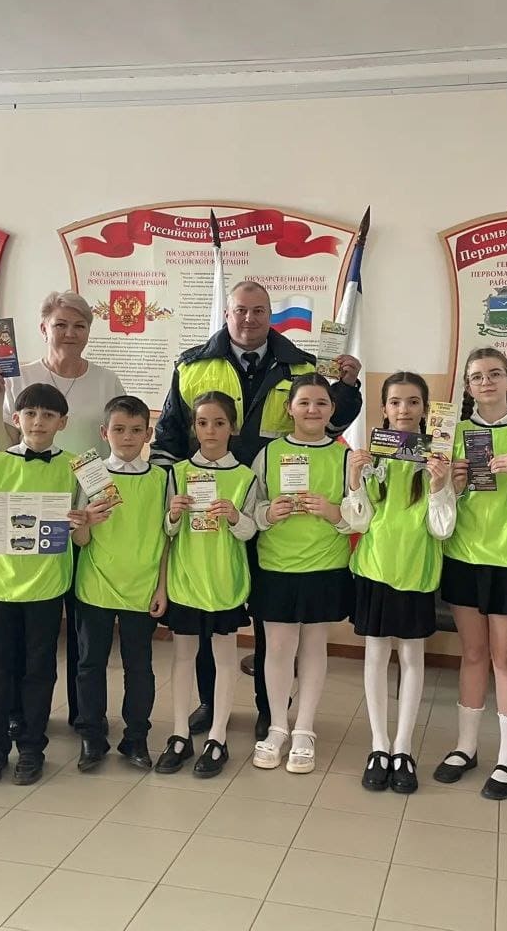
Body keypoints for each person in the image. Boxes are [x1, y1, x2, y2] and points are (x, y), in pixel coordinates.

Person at [152, 280, 363, 740]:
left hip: (272, 508)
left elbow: (325, 425)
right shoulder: (191, 365)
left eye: (259, 311)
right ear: (227, 314)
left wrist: (347, 387)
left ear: (271, 314)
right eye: (241, 310)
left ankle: (273, 710)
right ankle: (211, 704)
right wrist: (164, 494)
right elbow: (170, 434)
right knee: (210, 612)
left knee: (274, 621)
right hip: (212, 509)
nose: (249, 319)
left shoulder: (303, 365)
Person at [0, 291, 126, 733]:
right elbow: (2, 450)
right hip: (29, 514)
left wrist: (102, 502)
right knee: (28, 626)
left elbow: (115, 443)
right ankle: (18, 715)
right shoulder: (16, 377)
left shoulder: (107, 381)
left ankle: (84, 715)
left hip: (84, 508)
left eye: (79, 325)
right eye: (60, 324)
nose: (70, 333)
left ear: (89, 331)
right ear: (44, 328)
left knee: (83, 624)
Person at [0, 383, 104, 787]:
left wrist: (82, 523)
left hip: (47, 583)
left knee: (39, 668)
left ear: (63, 422)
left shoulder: (78, 467)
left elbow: (83, 539)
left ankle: (31, 746)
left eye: (47, 415)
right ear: (16, 418)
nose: (38, 422)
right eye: (30, 413)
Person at [433, 347, 507, 800]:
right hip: (464, 556)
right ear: (468, 386)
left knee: (506, 658)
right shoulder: (453, 433)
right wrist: (452, 484)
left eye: (494, 374)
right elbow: (440, 504)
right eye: (477, 376)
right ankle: (465, 747)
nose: (486, 382)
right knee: (472, 654)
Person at [346, 372, 455, 795]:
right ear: (384, 408)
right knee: (375, 655)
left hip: (417, 572)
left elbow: (443, 529)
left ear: (425, 409)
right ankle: (379, 745)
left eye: (412, 402)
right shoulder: (373, 456)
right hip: (375, 569)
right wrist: (354, 480)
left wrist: (439, 485)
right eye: (395, 402)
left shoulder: (437, 458)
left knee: (411, 657)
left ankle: (403, 748)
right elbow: (359, 521)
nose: (404, 410)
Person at [249, 374, 356, 774]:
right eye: (304, 402)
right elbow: (251, 510)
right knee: (277, 648)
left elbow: (360, 514)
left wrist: (333, 512)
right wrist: (267, 513)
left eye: (322, 403)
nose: (313, 410)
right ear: (289, 408)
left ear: (332, 410)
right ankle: (278, 726)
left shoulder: (345, 456)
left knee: (313, 646)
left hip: (324, 566)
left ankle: (305, 729)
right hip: (276, 565)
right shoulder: (268, 453)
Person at [155, 390, 262, 778]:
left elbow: (250, 531)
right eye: (202, 423)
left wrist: (234, 517)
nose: (211, 430)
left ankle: (218, 736)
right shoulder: (178, 472)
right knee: (183, 657)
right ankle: (180, 734)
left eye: (219, 423)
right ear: (193, 427)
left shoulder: (245, 476)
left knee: (224, 658)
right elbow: (167, 532)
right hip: (185, 580)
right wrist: (173, 514)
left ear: (232, 428)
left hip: (224, 582)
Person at [74, 395, 170, 772]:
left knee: (139, 667)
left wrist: (162, 587)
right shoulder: (90, 474)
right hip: (95, 583)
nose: (127, 437)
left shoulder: (162, 478)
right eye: (118, 429)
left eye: (135, 430)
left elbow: (168, 539)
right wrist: (86, 522)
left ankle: (136, 737)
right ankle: (91, 736)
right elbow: (80, 540)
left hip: (142, 589)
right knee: (89, 664)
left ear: (148, 434)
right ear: (104, 433)